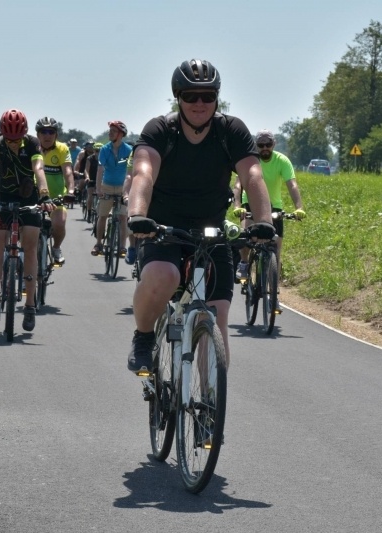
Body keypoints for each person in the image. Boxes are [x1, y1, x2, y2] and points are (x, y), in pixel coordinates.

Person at [126, 58, 275, 374]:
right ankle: (143, 336)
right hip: (163, 230)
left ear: (216, 98)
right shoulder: (160, 130)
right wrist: (138, 216)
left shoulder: (230, 131)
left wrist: (264, 222)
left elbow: (253, 176)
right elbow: (143, 173)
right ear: (177, 96)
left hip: (212, 232)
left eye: (207, 96)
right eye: (190, 95)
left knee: (217, 317)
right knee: (165, 276)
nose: (199, 103)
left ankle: (208, 405)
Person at [0, 109, 53, 332]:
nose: (12, 143)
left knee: (30, 247)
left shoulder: (32, 144)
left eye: (16, 139)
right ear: (2, 134)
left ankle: (30, 305)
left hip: (28, 200)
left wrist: (45, 193)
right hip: (1, 199)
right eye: (9, 139)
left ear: (24, 134)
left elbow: (38, 168)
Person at [232, 129, 306, 280]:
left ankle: (274, 292)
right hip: (250, 203)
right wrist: (237, 206)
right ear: (256, 145)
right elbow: (238, 186)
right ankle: (244, 263)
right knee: (246, 235)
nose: (265, 148)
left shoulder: (282, 160)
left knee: (276, 247)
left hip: (274, 206)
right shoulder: (250, 160)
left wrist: (299, 208)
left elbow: (292, 185)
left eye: (268, 144)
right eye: (261, 144)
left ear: (274, 144)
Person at [35, 117, 75, 264]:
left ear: (56, 135)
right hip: (35, 195)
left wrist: (70, 190)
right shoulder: (32, 148)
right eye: (43, 132)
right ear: (38, 134)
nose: (47, 135)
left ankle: (56, 248)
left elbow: (68, 172)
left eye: (51, 132)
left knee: (59, 224)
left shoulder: (62, 149)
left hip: (57, 196)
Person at [91, 120, 132, 257]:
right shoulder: (104, 149)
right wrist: (98, 189)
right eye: (110, 131)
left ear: (121, 134)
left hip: (122, 188)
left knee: (122, 216)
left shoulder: (128, 150)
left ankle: (122, 247)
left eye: (113, 131)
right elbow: (100, 169)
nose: (110, 133)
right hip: (106, 186)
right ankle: (98, 244)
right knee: (102, 216)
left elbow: (130, 171)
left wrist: (128, 191)